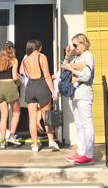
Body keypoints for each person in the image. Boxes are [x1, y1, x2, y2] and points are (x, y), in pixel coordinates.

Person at [61, 33, 95, 166]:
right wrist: (67, 56)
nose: (74, 47)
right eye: (72, 45)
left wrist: (72, 69)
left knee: (86, 124)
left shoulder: (88, 56)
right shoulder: (76, 57)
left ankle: (89, 154)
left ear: (83, 43)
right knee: (79, 125)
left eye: (75, 45)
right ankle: (81, 152)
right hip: (75, 94)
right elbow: (65, 68)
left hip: (84, 93)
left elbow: (86, 76)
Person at [21, 39, 59, 152]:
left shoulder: (25, 59)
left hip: (30, 86)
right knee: (46, 115)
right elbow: (47, 76)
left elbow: (24, 73)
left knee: (32, 117)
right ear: (39, 47)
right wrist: (53, 91)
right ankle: (51, 140)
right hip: (41, 85)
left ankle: (35, 144)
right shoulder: (42, 57)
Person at [0, 41, 21, 148]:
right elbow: (14, 77)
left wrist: (2, 76)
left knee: (4, 116)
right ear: (12, 49)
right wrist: (19, 79)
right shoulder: (14, 60)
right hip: (10, 87)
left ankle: (3, 141)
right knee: (16, 112)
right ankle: (12, 136)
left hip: (0, 87)